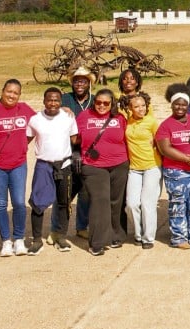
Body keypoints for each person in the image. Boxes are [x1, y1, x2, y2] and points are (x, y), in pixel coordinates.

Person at [0, 78, 36, 257]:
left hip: (18, 164)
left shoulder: (25, 110)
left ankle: (19, 239)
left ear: (20, 95)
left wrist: (64, 110)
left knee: (18, 202)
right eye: (9, 91)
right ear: (2, 91)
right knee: (1, 203)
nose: (12, 95)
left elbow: (42, 120)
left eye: (16, 93)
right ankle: (6, 241)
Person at [75, 88, 129, 256]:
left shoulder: (120, 118)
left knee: (116, 201)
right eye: (98, 102)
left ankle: (116, 235)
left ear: (112, 103)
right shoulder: (84, 116)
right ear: (94, 102)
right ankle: (97, 242)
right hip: (93, 165)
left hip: (120, 163)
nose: (102, 106)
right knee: (100, 200)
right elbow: (74, 137)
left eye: (106, 103)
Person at [25, 87, 78, 255]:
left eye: (56, 100)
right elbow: (25, 140)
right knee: (38, 203)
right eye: (49, 100)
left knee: (64, 202)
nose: (53, 103)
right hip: (44, 165)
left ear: (61, 102)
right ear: (44, 101)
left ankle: (61, 237)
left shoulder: (68, 117)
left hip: (64, 165)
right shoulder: (35, 119)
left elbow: (75, 139)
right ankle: (36, 240)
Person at [157, 88, 190, 250]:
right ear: (171, 106)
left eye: (183, 105)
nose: (180, 108)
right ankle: (179, 237)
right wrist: (187, 158)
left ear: (188, 105)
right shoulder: (166, 126)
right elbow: (165, 148)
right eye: (176, 105)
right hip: (176, 171)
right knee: (178, 203)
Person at [55, 66, 94, 245]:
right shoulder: (65, 98)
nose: (80, 84)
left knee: (85, 192)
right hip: (66, 151)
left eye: (83, 81)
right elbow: (49, 110)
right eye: (77, 81)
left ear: (89, 83)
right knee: (63, 193)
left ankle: (82, 227)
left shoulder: (95, 101)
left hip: (87, 151)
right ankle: (56, 229)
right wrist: (60, 109)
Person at [123, 93, 161, 249]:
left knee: (147, 203)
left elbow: (161, 142)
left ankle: (148, 238)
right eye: (136, 106)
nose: (141, 109)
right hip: (134, 169)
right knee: (131, 204)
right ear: (130, 108)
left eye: (143, 106)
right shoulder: (127, 122)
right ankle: (138, 233)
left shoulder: (152, 122)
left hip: (152, 166)